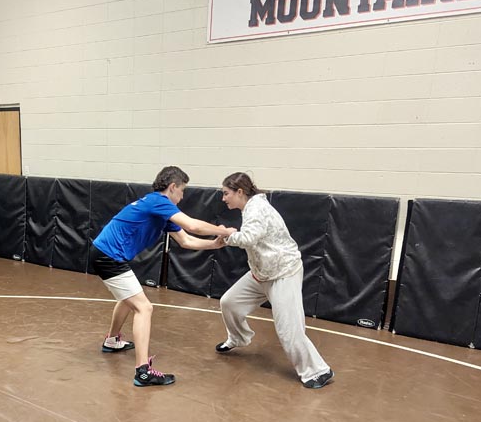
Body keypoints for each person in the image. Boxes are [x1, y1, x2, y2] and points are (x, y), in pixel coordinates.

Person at [91, 166, 235, 387]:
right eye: (182, 191)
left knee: (129, 299)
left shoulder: (160, 210)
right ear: (173, 187)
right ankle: (143, 372)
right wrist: (224, 231)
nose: (182, 197)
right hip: (108, 256)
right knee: (144, 308)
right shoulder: (158, 201)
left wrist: (214, 245)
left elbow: (186, 240)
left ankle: (111, 340)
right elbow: (193, 225)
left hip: (107, 254)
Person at [216, 172, 334, 389]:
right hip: (261, 273)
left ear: (239, 192)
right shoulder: (249, 207)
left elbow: (248, 238)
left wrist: (225, 234)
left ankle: (317, 370)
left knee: (288, 329)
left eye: (226, 193)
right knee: (229, 303)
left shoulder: (257, 208)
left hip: (283, 273)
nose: (223, 198)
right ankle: (239, 338)